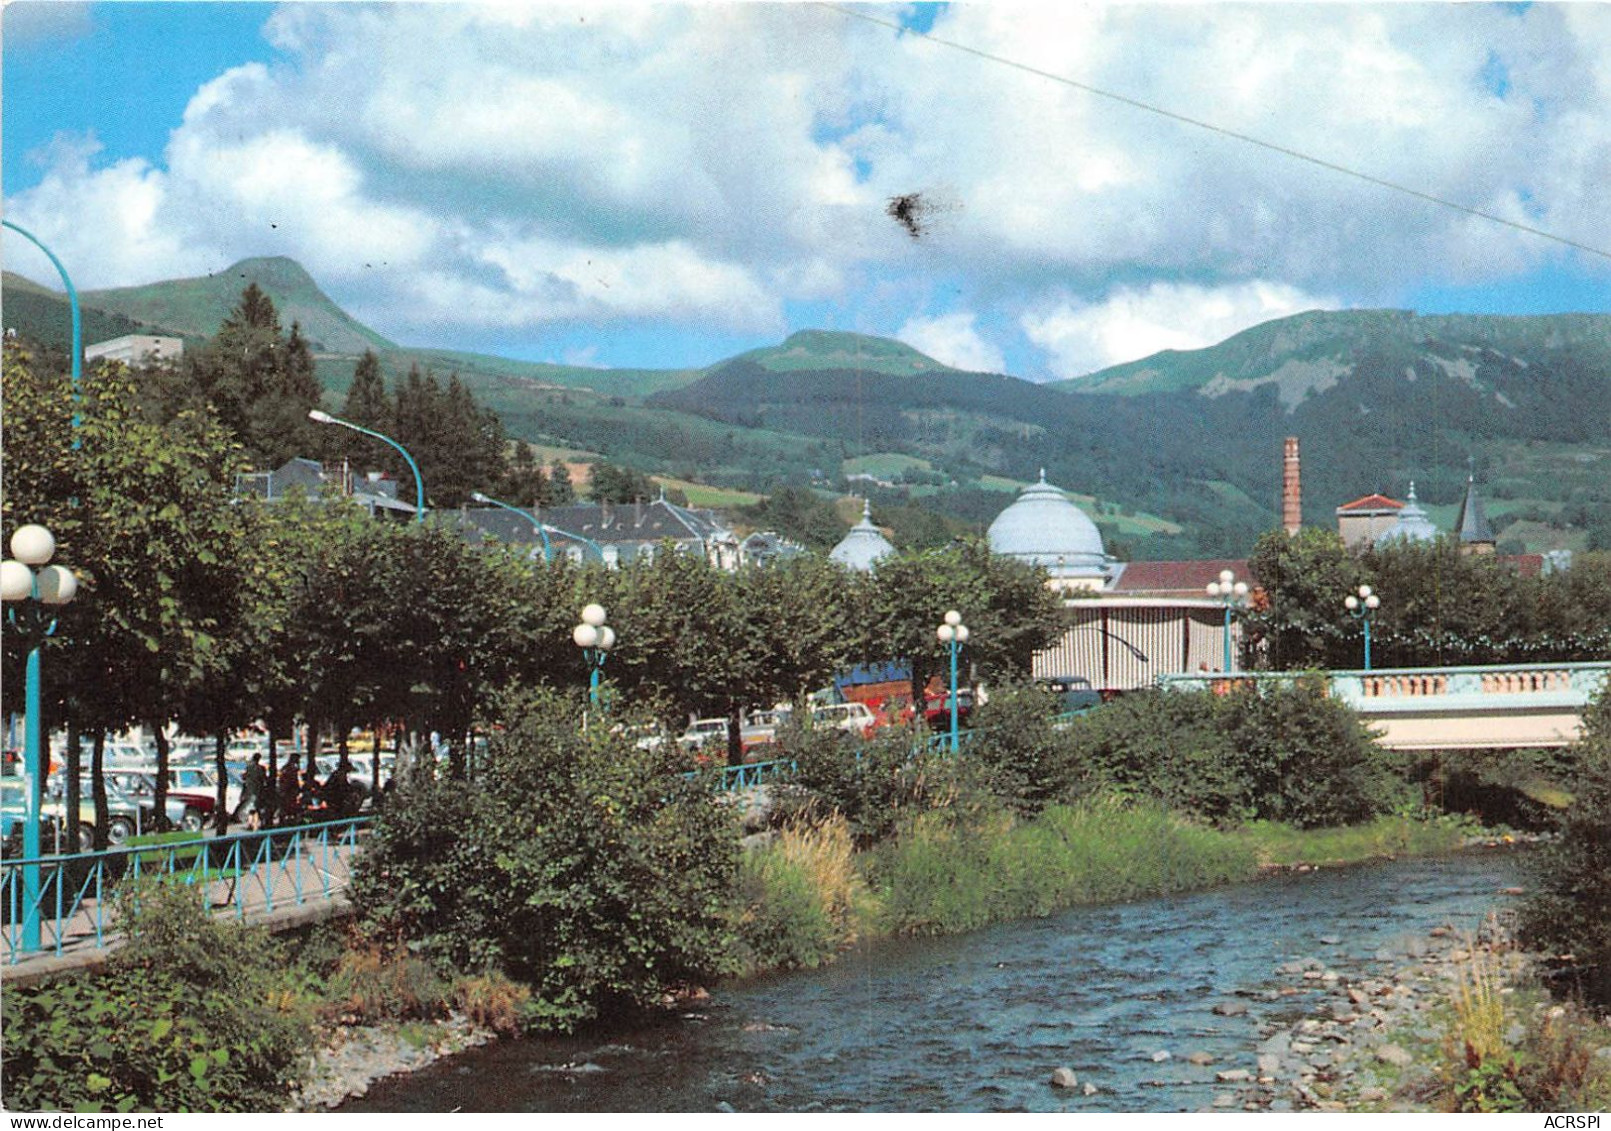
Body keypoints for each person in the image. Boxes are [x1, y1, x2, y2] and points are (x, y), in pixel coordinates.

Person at [235, 752, 267, 830]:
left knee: (251, 808)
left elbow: (244, 778)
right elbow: (264, 779)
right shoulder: (260, 768)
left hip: (249, 791)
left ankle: (251, 823)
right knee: (256, 808)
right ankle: (255, 825)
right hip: (257, 791)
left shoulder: (249, 767)